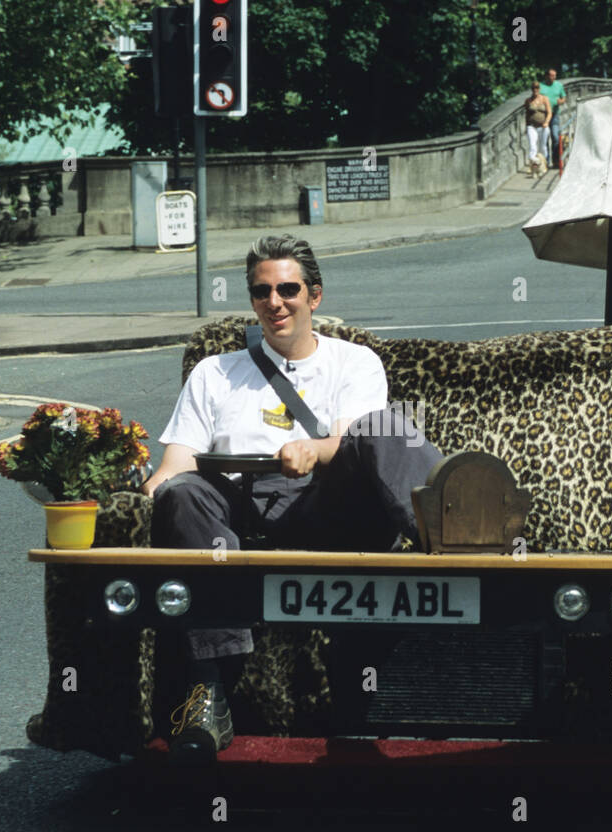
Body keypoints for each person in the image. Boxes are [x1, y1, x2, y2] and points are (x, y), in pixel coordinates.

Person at [139, 234, 443, 763]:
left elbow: (356, 440)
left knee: (384, 426)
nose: (274, 302)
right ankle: (210, 690)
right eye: (261, 292)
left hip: (328, 503)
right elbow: (178, 462)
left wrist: (314, 448)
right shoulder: (215, 372)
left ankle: (453, 530)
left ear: (314, 296)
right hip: (240, 514)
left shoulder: (355, 362)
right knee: (181, 494)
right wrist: (139, 491)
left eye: (287, 289)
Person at [540, 67, 567, 169]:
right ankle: (546, 162)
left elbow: (564, 97)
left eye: (555, 76)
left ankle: (556, 161)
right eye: (551, 76)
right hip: (544, 115)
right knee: (545, 138)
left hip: (555, 114)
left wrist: (561, 101)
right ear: (547, 76)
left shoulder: (558, 85)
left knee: (555, 137)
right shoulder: (541, 86)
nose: (553, 78)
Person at [525, 81, 552, 176]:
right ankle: (532, 166)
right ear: (531, 89)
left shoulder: (544, 99)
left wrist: (546, 122)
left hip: (543, 126)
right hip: (532, 126)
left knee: (543, 147)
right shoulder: (528, 100)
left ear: (539, 89)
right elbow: (527, 114)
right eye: (533, 88)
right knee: (533, 146)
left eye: (537, 88)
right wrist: (527, 126)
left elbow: (549, 112)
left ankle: (543, 166)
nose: (535, 90)